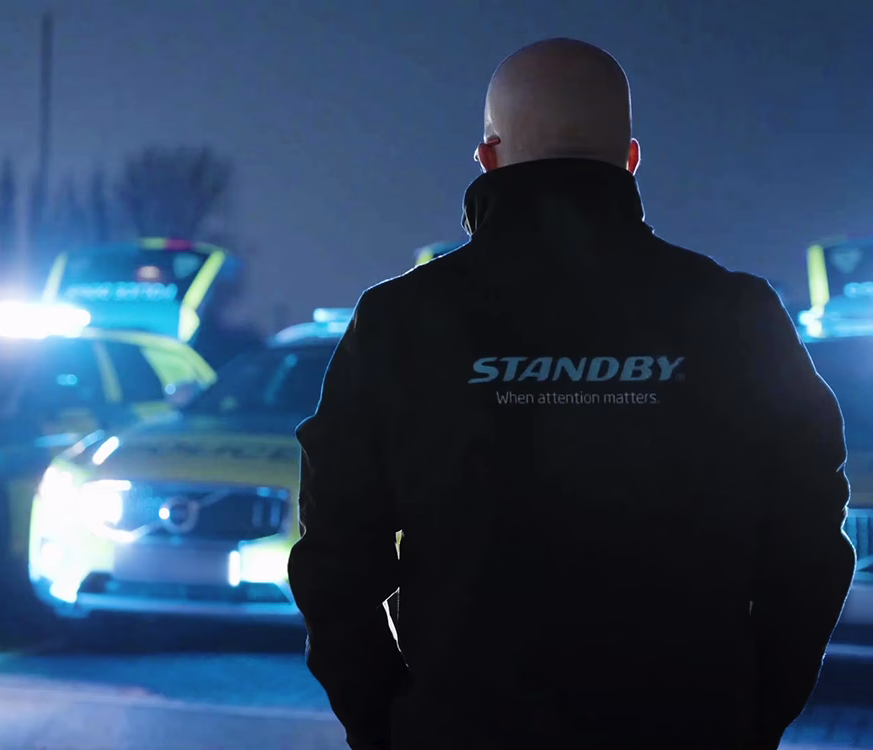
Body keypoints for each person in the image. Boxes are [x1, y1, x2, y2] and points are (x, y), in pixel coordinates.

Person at [287, 37, 857, 750]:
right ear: (630, 159)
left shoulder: (404, 319)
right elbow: (810, 539)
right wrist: (751, 711)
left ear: (487, 158)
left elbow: (334, 554)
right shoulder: (737, 313)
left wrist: (388, 724)